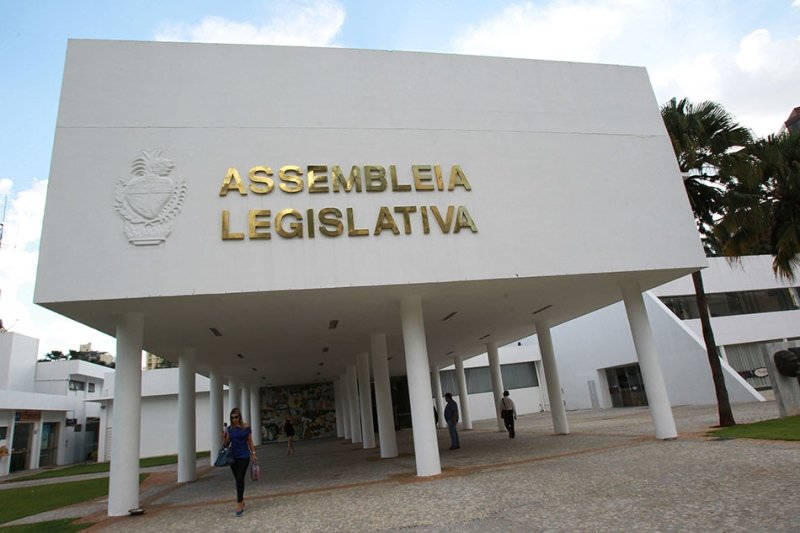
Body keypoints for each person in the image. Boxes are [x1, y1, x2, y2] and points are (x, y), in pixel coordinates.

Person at [222, 407, 256, 517]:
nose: (234, 419)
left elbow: (250, 441)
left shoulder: (246, 427)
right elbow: (227, 444)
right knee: (238, 480)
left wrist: (253, 453)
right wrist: (224, 437)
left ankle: (239, 503)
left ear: (240, 417)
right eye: (232, 418)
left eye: (236, 417)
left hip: (244, 455)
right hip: (233, 457)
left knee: (240, 478)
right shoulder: (230, 429)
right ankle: (241, 501)